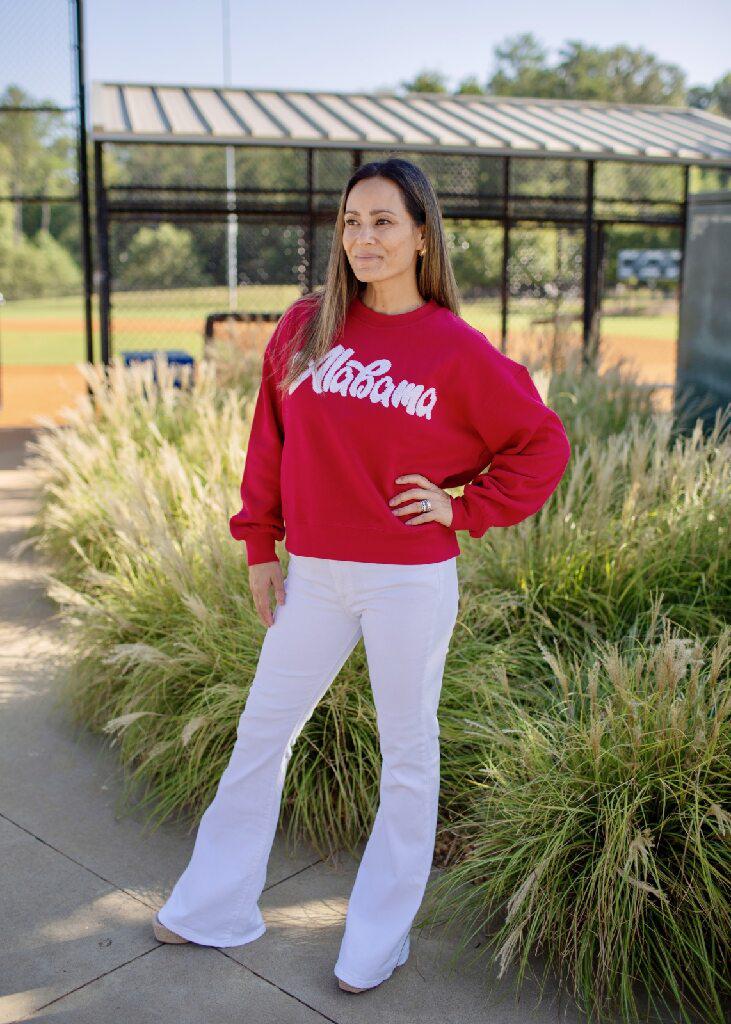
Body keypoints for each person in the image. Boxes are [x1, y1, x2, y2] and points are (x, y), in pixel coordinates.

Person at [153, 157, 571, 994]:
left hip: (407, 581)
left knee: (407, 754)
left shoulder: (453, 347)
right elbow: (268, 441)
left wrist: (460, 508)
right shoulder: (306, 326)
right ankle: (213, 906)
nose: (363, 237)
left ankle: (375, 938)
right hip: (313, 574)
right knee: (261, 734)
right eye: (351, 222)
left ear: (421, 236)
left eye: (383, 221)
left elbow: (541, 444)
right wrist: (259, 546)